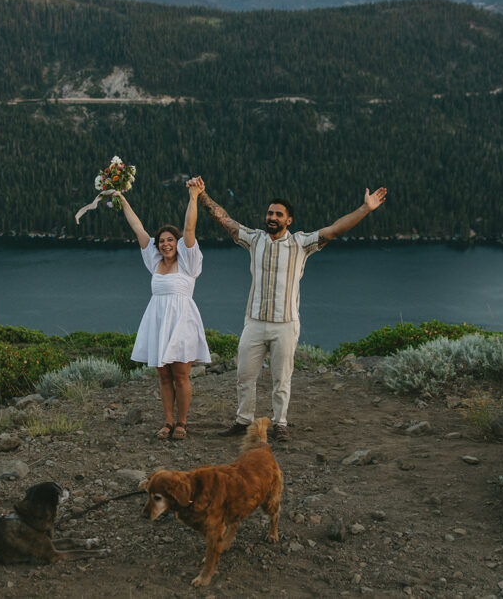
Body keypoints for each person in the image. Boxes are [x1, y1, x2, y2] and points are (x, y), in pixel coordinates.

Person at [187, 176, 387, 441]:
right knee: (244, 375)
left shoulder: (301, 244)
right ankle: (243, 421)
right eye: (270, 213)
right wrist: (201, 195)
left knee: (282, 379)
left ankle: (280, 423)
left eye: (278, 214)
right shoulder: (254, 239)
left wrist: (365, 209)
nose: (272, 217)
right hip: (254, 323)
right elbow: (224, 220)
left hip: (286, 324)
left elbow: (336, 229)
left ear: (288, 220)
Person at [114, 183, 211, 440]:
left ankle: (182, 422)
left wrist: (194, 196)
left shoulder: (188, 262)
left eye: (170, 240)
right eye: (162, 241)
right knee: (164, 376)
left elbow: (189, 227)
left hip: (182, 322)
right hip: (158, 321)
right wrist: (121, 199)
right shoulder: (154, 261)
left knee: (181, 376)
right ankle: (167, 422)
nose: (166, 244)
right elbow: (138, 228)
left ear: (177, 243)